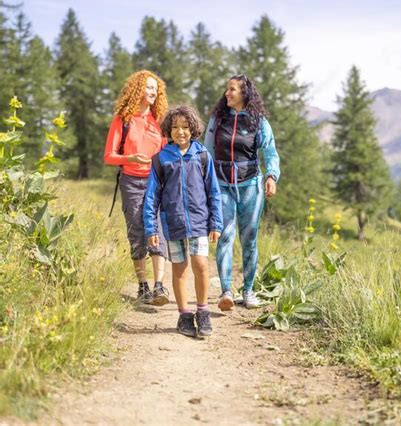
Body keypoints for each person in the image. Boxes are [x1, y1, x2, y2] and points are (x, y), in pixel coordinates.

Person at [143, 105, 223, 337]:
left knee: (200, 265)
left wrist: (216, 223)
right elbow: (151, 196)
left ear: (193, 129)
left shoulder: (202, 155)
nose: (180, 132)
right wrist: (151, 227)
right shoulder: (160, 159)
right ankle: (184, 315)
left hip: (199, 221)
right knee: (179, 269)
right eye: (175, 127)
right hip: (173, 223)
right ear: (168, 129)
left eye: (185, 127)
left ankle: (203, 312)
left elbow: (213, 192)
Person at [204, 74, 280, 310]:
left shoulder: (259, 122)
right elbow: (207, 151)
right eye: (227, 89)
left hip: (251, 186)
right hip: (222, 184)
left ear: (245, 94)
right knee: (224, 235)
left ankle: (248, 291)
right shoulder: (217, 119)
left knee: (249, 239)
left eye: (232, 90)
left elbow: (270, 152)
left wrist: (271, 176)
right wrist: (205, 181)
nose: (227, 93)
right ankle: (226, 291)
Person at [104, 70, 170, 306]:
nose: (152, 92)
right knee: (137, 233)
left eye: (155, 89)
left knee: (157, 231)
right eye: (148, 87)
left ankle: (159, 287)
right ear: (137, 90)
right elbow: (109, 156)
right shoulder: (122, 119)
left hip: (155, 183)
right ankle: (142, 286)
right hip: (131, 183)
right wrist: (131, 158)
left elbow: (166, 154)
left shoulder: (160, 121)